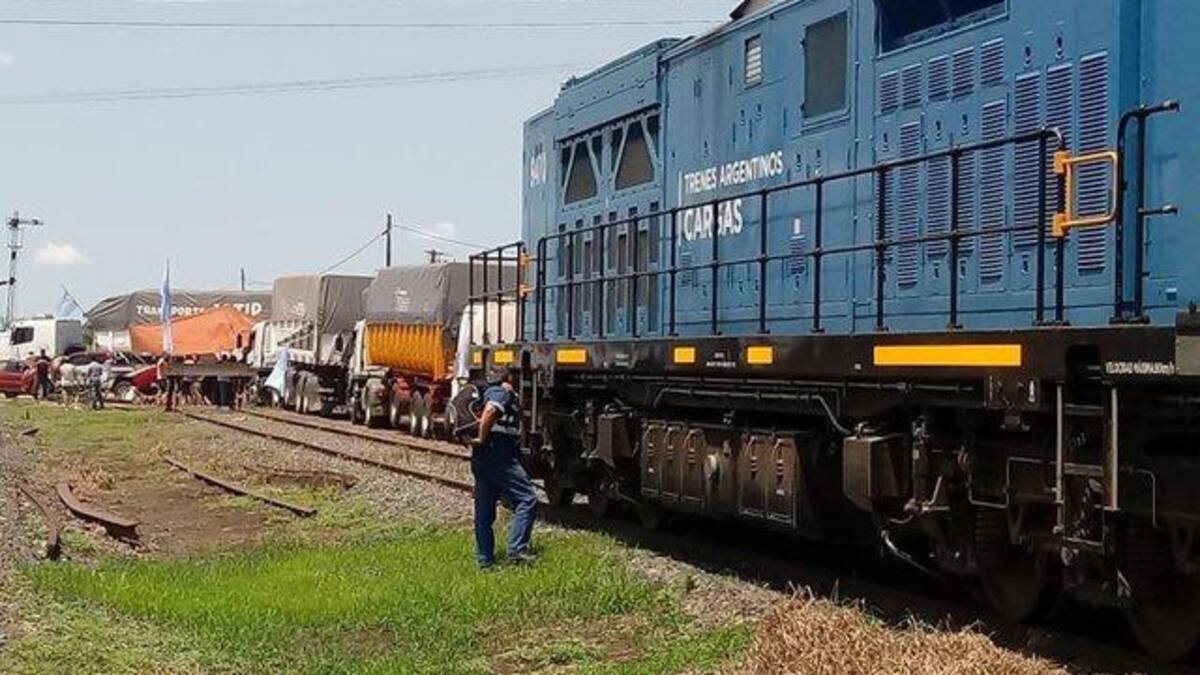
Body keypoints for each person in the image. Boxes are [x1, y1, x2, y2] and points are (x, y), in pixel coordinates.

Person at [468, 371, 538, 569]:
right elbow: (491, 410)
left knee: (483, 511)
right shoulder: (501, 393)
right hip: (499, 455)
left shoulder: (489, 391)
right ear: (509, 380)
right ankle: (516, 550)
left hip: (483, 457)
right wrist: (482, 437)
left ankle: (485, 561)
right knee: (527, 499)